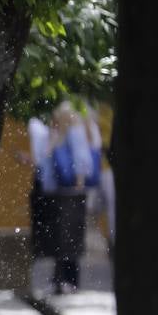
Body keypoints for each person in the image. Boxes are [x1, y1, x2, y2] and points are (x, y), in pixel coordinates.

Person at [30, 102, 98, 294]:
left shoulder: (74, 132)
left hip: (69, 192)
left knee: (69, 237)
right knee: (60, 236)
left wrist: (78, 187)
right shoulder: (57, 134)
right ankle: (60, 279)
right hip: (57, 191)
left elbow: (80, 159)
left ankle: (70, 280)